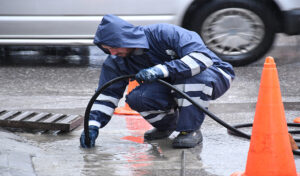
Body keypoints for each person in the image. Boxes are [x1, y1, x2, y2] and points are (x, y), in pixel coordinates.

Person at [80, 14, 235, 148]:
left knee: (188, 77)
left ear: (125, 39)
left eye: (114, 47)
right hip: (173, 84)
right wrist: (92, 126)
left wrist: (160, 70)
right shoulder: (116, 60)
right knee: (137, 98)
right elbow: (106, 95)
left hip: (214, 74)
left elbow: (202, 58)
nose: (112, 53)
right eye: (107, 49)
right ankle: (167, 126)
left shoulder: (164, 33)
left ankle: (190, 130)